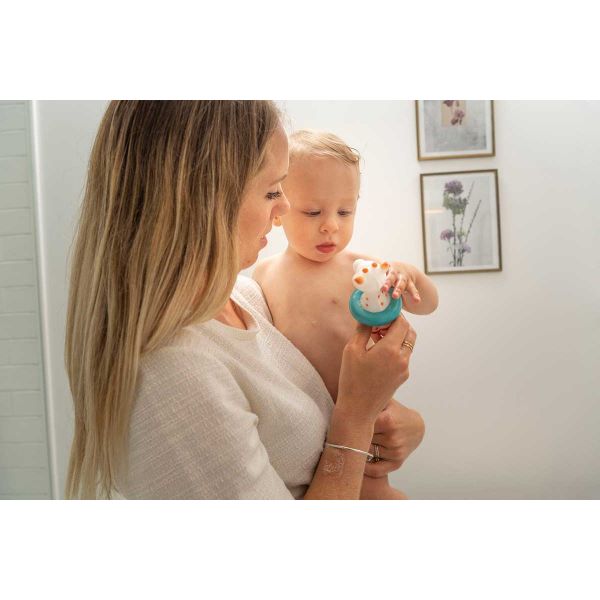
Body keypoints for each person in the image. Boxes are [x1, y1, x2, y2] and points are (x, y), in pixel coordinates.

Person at [65, 101, 423, 500]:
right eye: (271, 191)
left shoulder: (246, 296)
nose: (284, 207)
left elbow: (321, 419)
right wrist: (357, 417)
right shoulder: (172, 373)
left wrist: (394, 428)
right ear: (203, 200)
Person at [252, 130, 438, 499]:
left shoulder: (363, 269)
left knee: (382, 495)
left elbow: (427, 304)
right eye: (313, 212)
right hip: (307, 423)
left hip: (370, 416)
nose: (331, 226)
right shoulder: (263, 275)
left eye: (345, 211)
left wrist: (409, 275)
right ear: (281, 208)